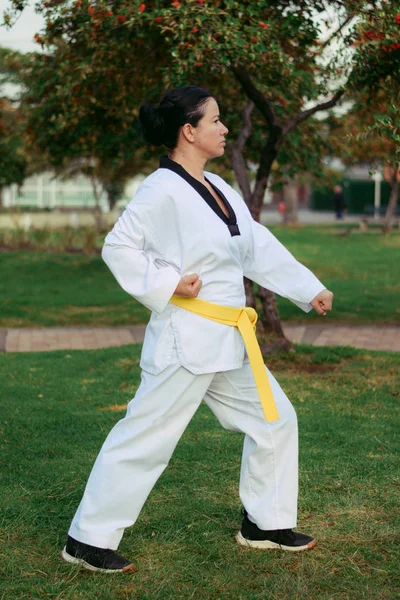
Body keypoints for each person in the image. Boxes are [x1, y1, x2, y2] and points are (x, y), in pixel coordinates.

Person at [61, 86, 333, 574]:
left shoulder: (220, 188)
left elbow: (255, 246)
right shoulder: (159, 190)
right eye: (216, 121)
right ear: (189, 131)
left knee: (275, 420)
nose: (225, 128)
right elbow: (118, 246)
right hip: (185, 340)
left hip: (230, 339)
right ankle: (87, 539)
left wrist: (305, 287)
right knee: (145, 437)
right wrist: (169, 284)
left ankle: (265, 523)